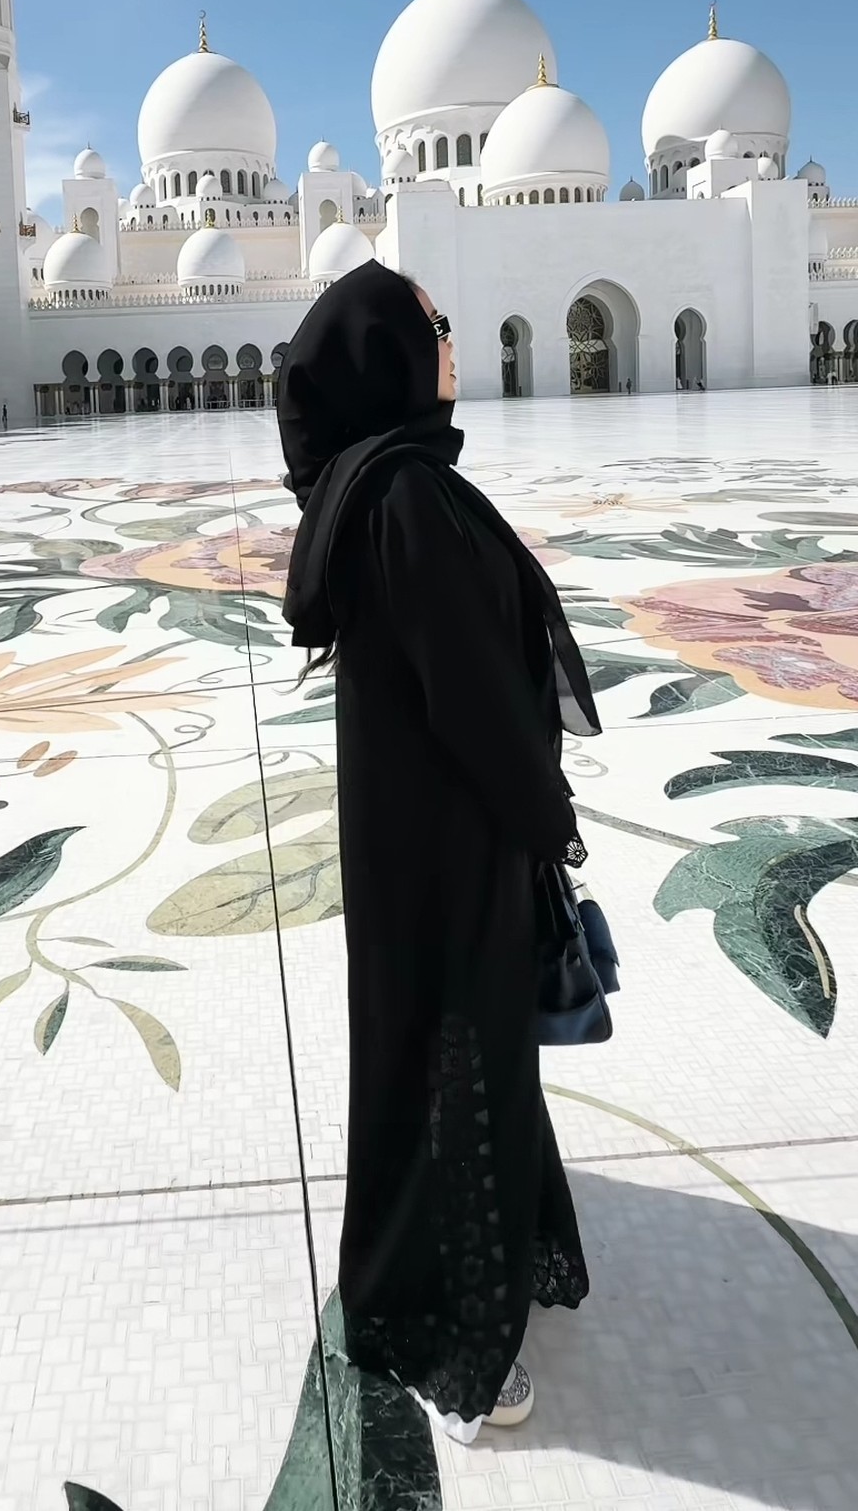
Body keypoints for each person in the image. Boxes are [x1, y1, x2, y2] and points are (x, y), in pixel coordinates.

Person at [277, 261, 598, 1445]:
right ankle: (441, 1331)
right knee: (456, 1057)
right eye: (434, 327)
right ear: (386, 359)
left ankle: (492, 1257)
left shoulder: (381, 487)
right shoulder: (405, 498)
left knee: (451, 1053)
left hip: (422, 831)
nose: (451, 343)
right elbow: (472, 696)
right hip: (449, 839)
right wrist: (544, 811)